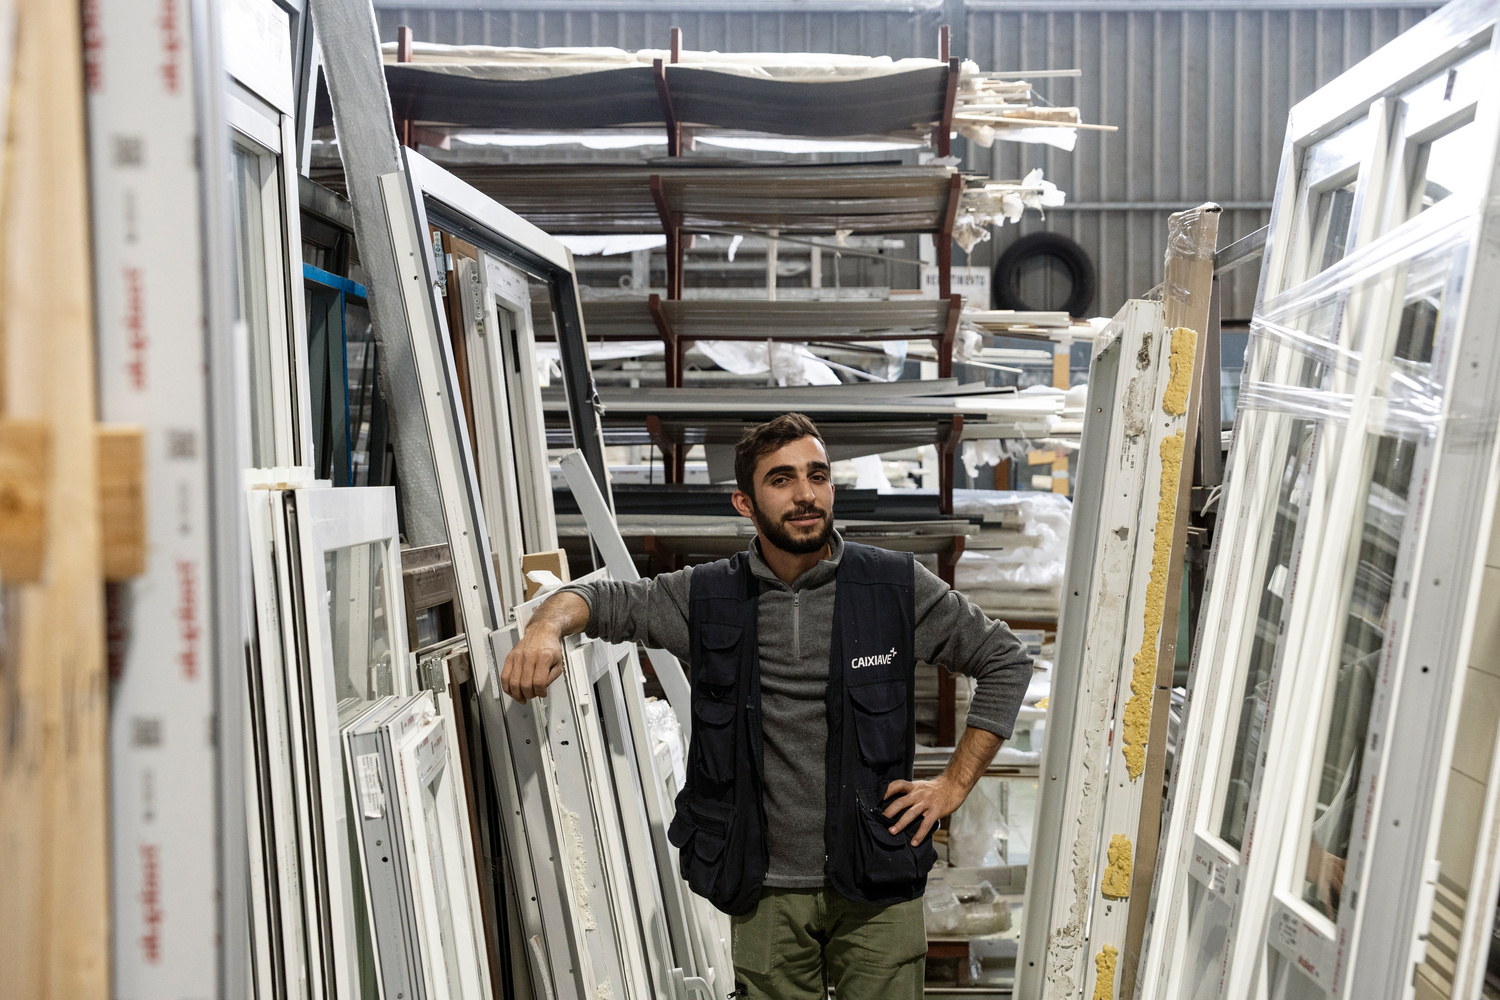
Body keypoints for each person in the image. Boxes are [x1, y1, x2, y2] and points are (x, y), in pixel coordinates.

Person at [501, 413, 1033, 999]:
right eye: (782, 480)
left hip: (877, 879)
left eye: (817, 476)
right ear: (745, 502)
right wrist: (544, 628)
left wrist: (954, 785)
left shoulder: (893, 588)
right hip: (763, 888)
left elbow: (1004, 660)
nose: (806, 494)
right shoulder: (710, 597)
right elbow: (600, 600)